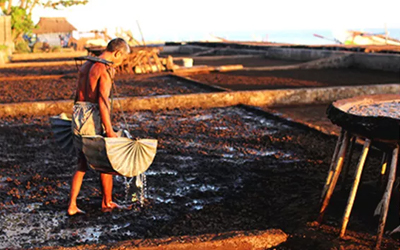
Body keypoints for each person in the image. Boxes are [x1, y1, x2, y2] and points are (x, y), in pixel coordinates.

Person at [68, 38, 130, 216]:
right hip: (92, 115)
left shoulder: (86, 64)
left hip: (78, 112)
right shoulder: (105, 69)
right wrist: (109, 130)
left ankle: (72, 205)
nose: (120, 63)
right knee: (106, 159)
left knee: (81, 162)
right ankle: (107, 202)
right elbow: (103, 103)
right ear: (117, 53)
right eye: (122, 59)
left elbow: (77, 96)